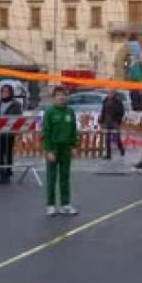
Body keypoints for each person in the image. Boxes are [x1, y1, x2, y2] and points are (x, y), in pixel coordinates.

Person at [41, 86, 79, 216]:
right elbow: (46, 132)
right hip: (53, 148)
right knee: (51, 177)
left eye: (63, 94)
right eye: (58, 95)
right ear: (54, 97)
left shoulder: (70, 112)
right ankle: (51, 205)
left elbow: (73, 130)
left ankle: (65, 204)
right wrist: (48, 150)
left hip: (66, 149)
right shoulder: (50, 112)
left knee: (65, 177)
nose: (61, 97)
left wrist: (74, 146)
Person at [0, 84, 23, 183]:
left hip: (8, 133)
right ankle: (1, 172)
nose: (4, 93)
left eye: (6, 91)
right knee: (0, 153)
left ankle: (7, 172)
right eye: (3, 91)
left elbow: (17, 116)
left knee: (7, 153)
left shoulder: (16, 104)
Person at [100, 90, 126, 160]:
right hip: (107, 121)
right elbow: (103, 110)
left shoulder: (117, 101)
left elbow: (121, 111)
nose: (110, 94)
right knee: (107, 139)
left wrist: (118, 119)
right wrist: (101, 120)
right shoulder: (105, 100)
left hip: (114, 122)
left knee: (116, 137)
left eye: (111, 93)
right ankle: (108, 154)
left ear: (114, 93)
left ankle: (121, 149)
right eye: (108, 93)